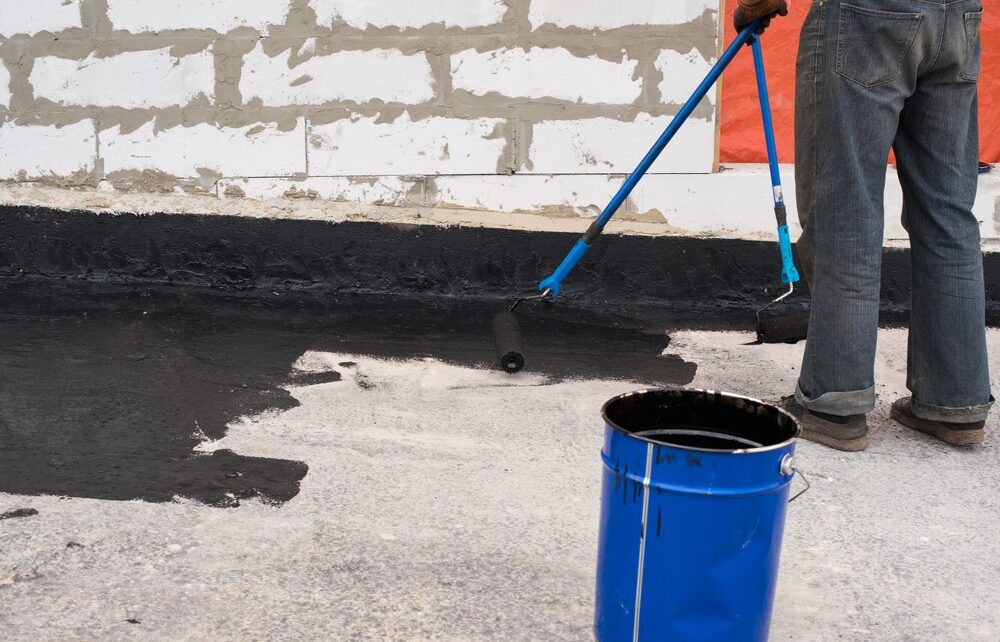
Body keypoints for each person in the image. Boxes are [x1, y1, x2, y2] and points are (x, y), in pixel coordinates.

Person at [735, 0, 991, 451]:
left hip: (867, 15)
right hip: (957, 19)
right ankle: (957, 404)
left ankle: (836, 404)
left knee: (845, 208)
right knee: (948, 213)